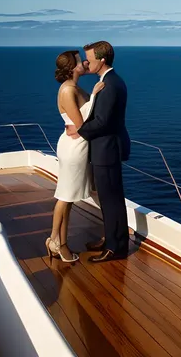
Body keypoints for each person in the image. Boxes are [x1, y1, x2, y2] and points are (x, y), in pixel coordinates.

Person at [66, 41, 131, 262]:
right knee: (108, 199)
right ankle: (111, 239)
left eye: (89, 59)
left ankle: (116, 248)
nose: (86, 63)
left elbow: (102, 122)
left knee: (111, 200)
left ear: (102, 60)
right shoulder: (109, 81)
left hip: (107, 150)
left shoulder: (111, 85)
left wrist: (80, 130)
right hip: (105, 149)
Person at [45, 50, 104, 263]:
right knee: (65, 196)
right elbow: (80, 124)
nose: (86, 62)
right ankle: (57, 243)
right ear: (72, 68)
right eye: (81, 61)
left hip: (78, 143)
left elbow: (78, 126)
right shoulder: (68, 90)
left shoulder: (74, 87)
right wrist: (96, 96)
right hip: (73, 147)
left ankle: (57, 242)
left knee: (68, 198)